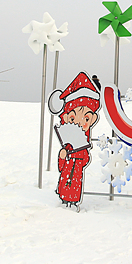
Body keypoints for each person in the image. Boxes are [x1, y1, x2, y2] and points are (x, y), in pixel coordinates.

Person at [48, 72, 101, 211]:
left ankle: (72, 202)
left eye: (86, 119)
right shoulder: (67, 141)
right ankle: (65, 199)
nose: (80, 122)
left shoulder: (82, 144)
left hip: (76, 168)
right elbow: (61, 165)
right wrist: (63, 156)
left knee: (75, 184)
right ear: (66, 118)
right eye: (73, 118)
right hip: (68, 166)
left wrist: (80, 156)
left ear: (92, 119)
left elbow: (85, 160)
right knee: (65, 182)